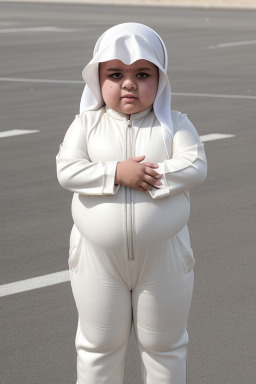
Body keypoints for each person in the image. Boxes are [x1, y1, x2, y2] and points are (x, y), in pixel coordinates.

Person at [56, 22, 207, 384]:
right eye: (115, 74)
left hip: (164, 258)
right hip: (97, 259)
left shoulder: (174, 124)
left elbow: (195, 164)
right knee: (97, 346)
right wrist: (115, 174)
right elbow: (67, 170)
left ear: (161, 79)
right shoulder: (86, 124)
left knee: (165, 347)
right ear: (97, 79)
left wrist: (152, 177)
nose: (129, 84)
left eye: (142, 74)